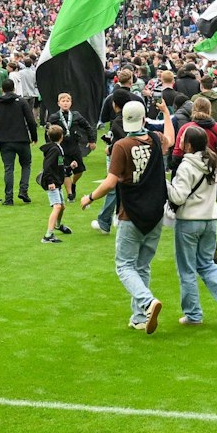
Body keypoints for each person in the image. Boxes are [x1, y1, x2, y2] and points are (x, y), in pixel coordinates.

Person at [80, 101, 169, 333]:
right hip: (155, 211)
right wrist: (167, 113)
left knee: (124, 265)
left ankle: (147, 302)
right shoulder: (156, 139)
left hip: (131, 211)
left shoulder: (122, 145)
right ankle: (140, 316)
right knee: (143, 265)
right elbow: (170, 138)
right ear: (143, 119)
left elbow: (110, 183)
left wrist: (89, 197)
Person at [167, 125, 217, 323]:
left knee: (187, 268)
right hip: (210, 218)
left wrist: (165, 186)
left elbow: (179, 197)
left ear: (188, 145)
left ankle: (193, 314)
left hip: (189, 220)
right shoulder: (212, 162)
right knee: (206, 263)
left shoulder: (186, 166)